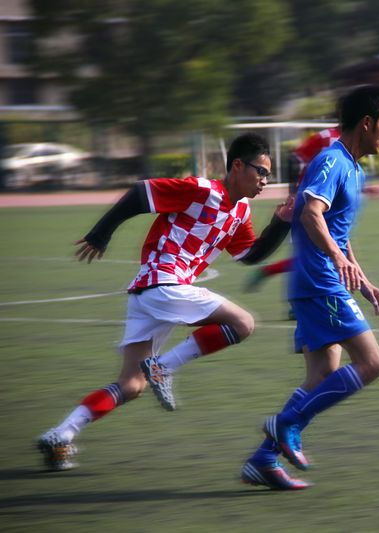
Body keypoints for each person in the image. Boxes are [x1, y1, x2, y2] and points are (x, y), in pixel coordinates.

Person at [36, 132, 298, 477]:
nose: (265, 180)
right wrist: (102, 232)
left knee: (131, 385)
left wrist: (281, 223)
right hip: (164, 283)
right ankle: (165, 366)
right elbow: (140, 193)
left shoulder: (240, 210)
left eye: (268, 175)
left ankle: (61, 434)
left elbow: (250, 255)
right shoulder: (203, 190)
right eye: (261, 172)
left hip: (149, 293)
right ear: (237, 166)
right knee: (243, 323)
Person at [240, 86, 379, 491]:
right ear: (367, 123)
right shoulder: (331, 160)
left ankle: (263, 460)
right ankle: (286, 424)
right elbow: (310, 214)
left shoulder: (354, 169)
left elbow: (337, 230)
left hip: (321, 279)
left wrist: (361, 278)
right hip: (319, 281)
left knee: (322, 374)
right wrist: (338, 260)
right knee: (372, 363)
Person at [244, 125, 379, 295]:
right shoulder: (332, 140)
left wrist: (362, 189)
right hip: (313, 204)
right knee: (316, 253)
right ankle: (276, 278)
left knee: (320, 251)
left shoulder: (343, 142)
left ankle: (286, 283)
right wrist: (296, 193)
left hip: (322, 202)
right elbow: (295, 159)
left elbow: (339, 177)